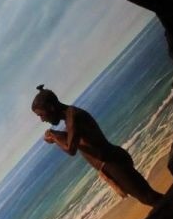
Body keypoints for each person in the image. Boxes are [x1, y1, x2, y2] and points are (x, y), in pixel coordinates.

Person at [31, 84, 164, 207]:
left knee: (148, 197)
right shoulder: (70, 117)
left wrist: (54, 137)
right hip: (111, 162)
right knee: (147, 197)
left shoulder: (73, 118)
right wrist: (55, 134)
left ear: (51, 108)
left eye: (41, 115)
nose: (42, 119)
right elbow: (76, 138)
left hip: (112, 162)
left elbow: (71, 149)